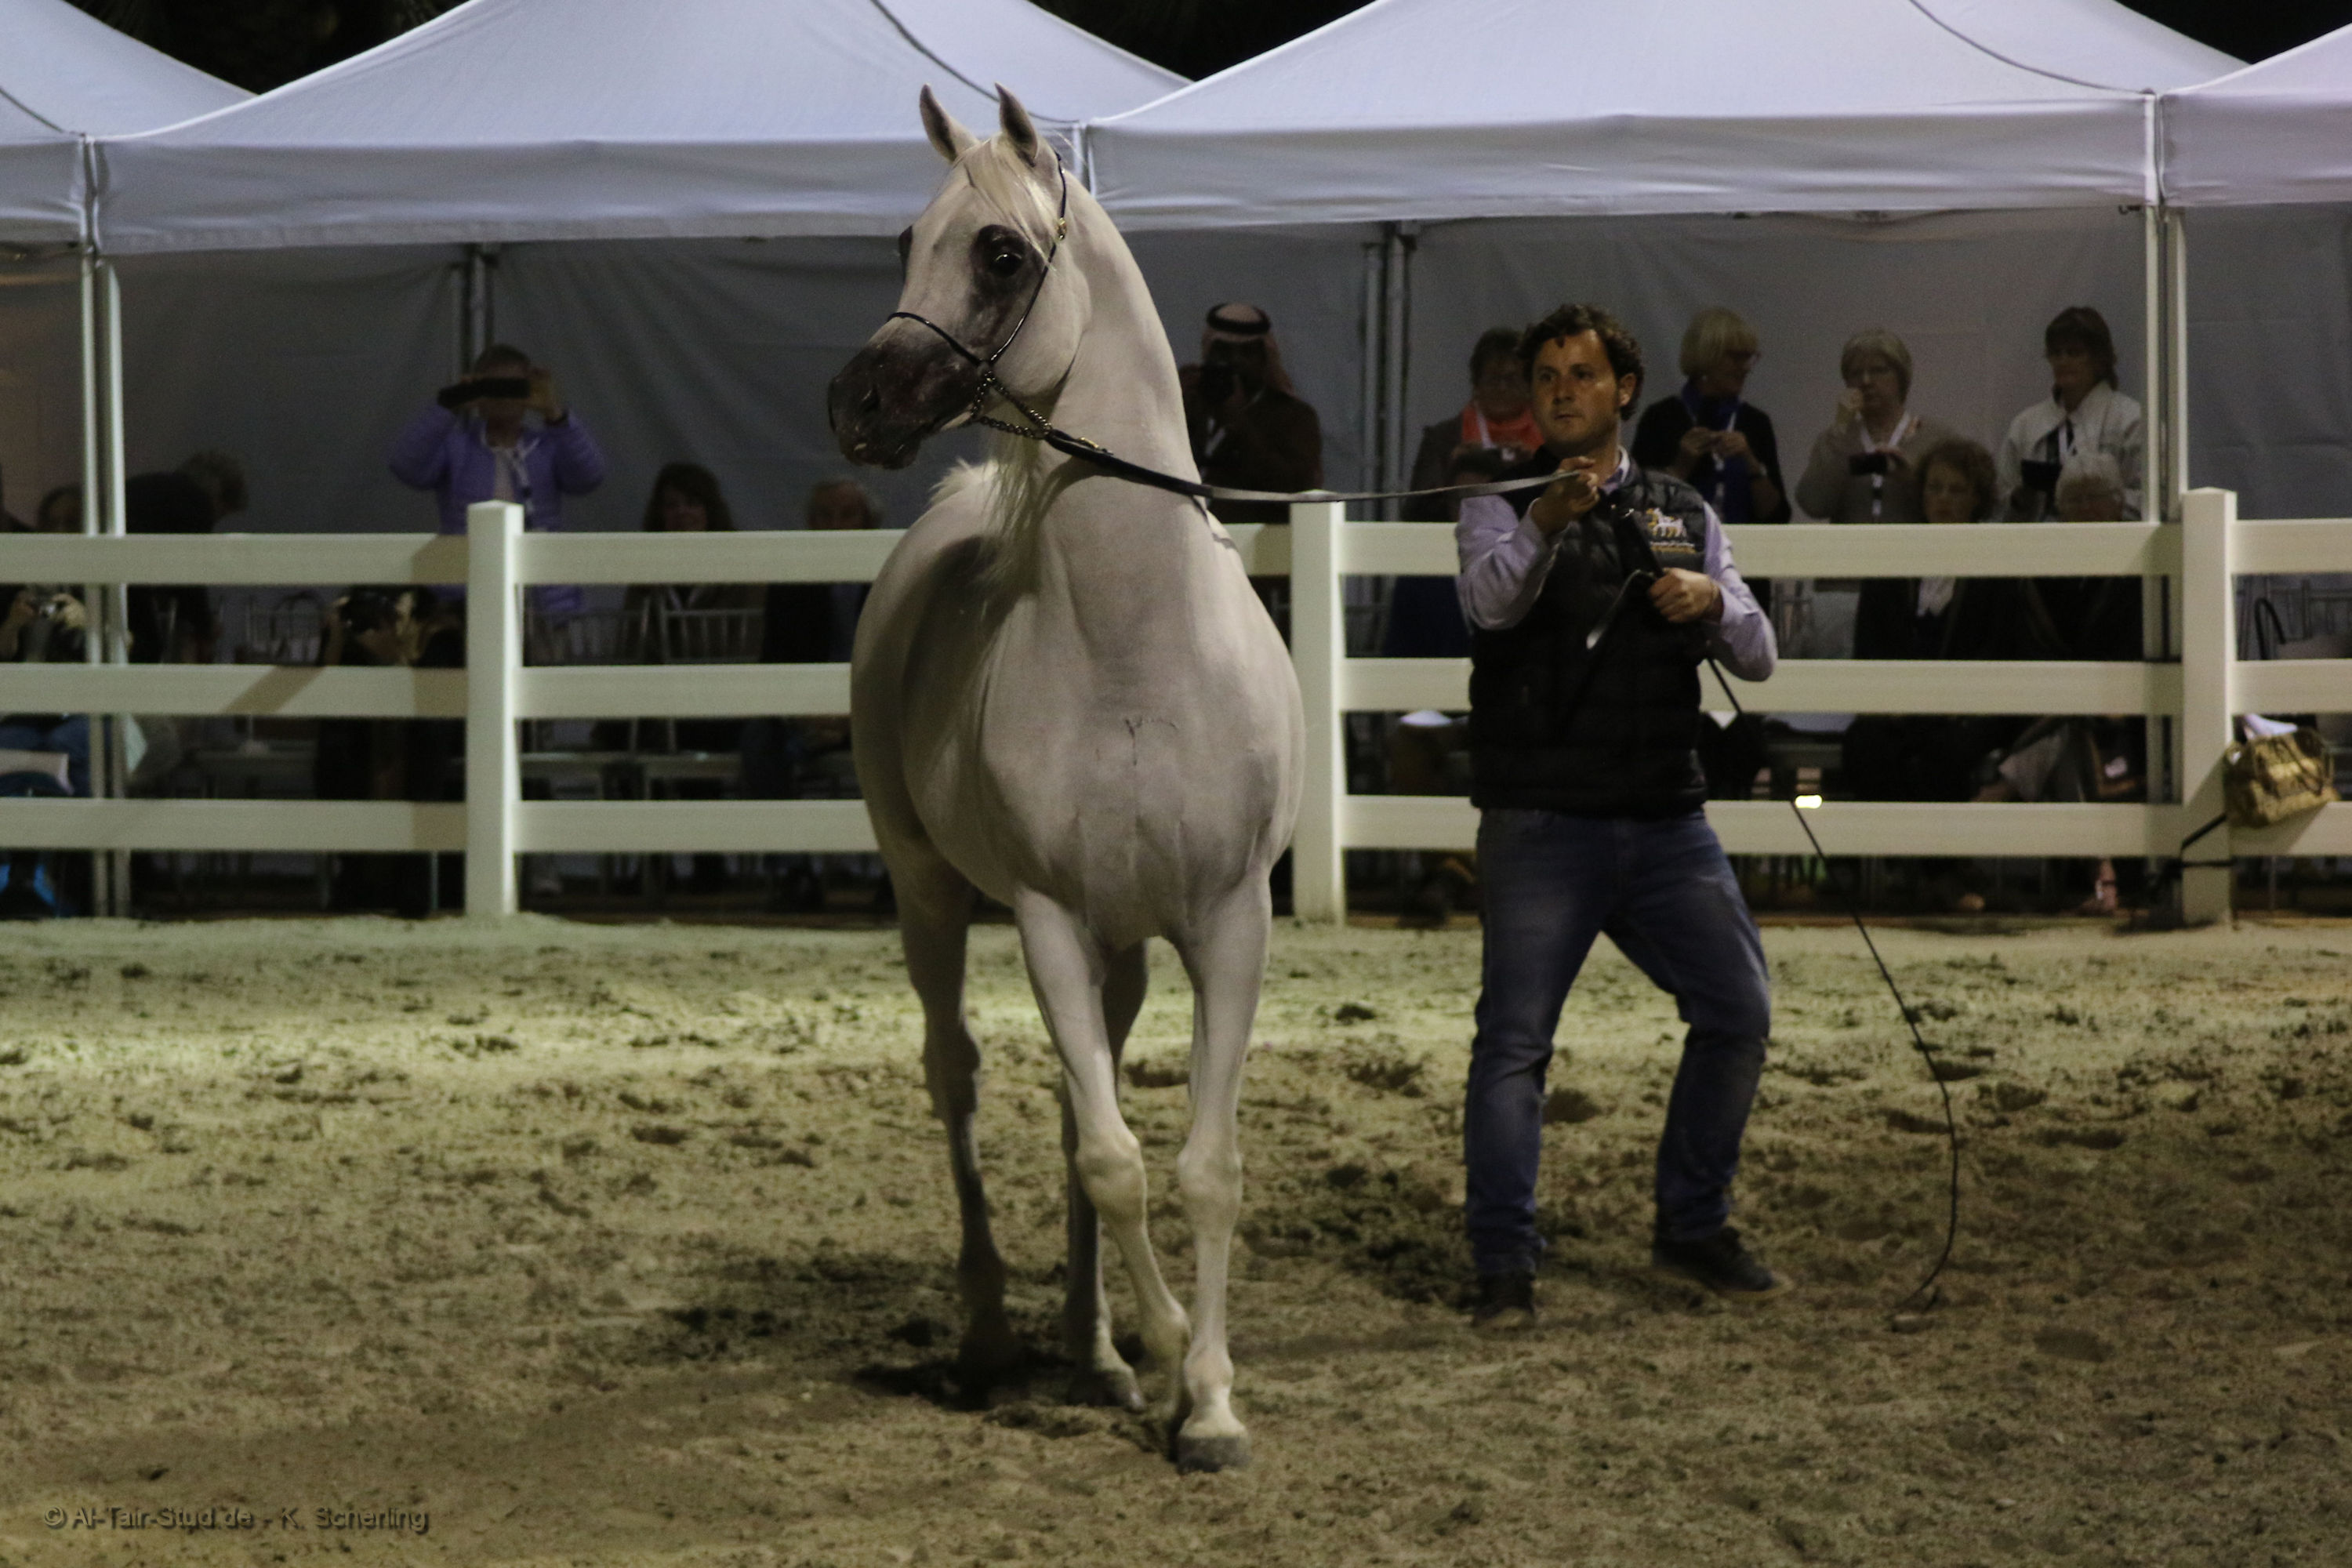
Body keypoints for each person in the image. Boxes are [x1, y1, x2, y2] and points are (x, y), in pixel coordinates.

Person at [1454, 303, 1783, 1327]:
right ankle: (1503, 1258)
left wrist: (1712, 601)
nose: (1562, 391)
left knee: (1738, 1010)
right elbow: (1488, 605)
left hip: (1665, 819)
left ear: (1623, 390)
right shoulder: (1498, 501)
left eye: (1582, 374)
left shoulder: (1685, 508)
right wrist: (1545, 522)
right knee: (1515, 1044)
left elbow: (1761, 652)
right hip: (1541, 820)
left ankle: (1692, 1220)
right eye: (1548, 376)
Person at [388, 343, 605, 630]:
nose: (503, 397)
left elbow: (589, 477)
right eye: (493, 386)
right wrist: (449, 405)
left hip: (543, 601)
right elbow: (406, 466)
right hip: (462, 600)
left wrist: (555, 414)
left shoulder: (548, 447)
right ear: (477, 391)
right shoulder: (456, 448)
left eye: (513, 387)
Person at [746, 479, 885, 912]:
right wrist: (804, 713)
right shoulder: (792, 580)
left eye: (847, 515)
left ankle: (900, 877)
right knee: (760, 741)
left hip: (877, 715)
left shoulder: (892, 576)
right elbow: (774, 660)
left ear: (868, 523)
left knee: (912, 748)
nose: (835, 525)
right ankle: (792, 872)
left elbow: (904, 665)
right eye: (824, 516)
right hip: (808, 716)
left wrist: (852, 717)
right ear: (810, 523)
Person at [1179, 301, 1323, 549]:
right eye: (1224, 352)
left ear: (1264, 358)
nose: (1235, 362)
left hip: (1257, 550)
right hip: (1189, 543)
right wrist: (1176, 406)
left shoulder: (1293, 416)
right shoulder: (1191, 406)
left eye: (1247, 353)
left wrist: (1240, 425)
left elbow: (1298, 490)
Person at [1632, 307, 1791, 528]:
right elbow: (1636, 506)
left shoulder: (1755, 422)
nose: (1745, 368)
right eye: (1736, 357)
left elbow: (1778, 517)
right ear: (1707, 356)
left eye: (1749, 358)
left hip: (1744, 544)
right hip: (1677, 543)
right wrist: (1679, 468)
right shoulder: (1661, 418)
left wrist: (1752, 465)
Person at [1794, 328, 1957, 524]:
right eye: (1856, 373)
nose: (1866, 381)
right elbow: (1813, 504)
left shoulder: (1937, 439)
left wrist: (1913, 481)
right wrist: (1841, 429)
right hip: (1852, 544)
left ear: (1901, 377)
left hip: (1913, 543)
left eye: (1878, 370)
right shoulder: (1835, 439)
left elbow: (1958, 508)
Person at [1997, 307, 2144, 522]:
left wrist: (2101, 499)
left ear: (2099, 359)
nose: (2063, 361)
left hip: (2111, 537)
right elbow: (2000, 500)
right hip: (2040, 538)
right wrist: (2019, 500)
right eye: (2056, 353)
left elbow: (2151, 501)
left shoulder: (2131, 420)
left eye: (2074, 353)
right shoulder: (2026, 425)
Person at [1406, 327, 1542, 514]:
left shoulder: (1552, 436)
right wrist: (1453, 472)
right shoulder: (1443, 440)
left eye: (1511, 379)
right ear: (1476, 386)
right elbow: (1415, 514)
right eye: (1493, 379)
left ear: (1529, 385)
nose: (1502, 388)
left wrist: (1534, 468)